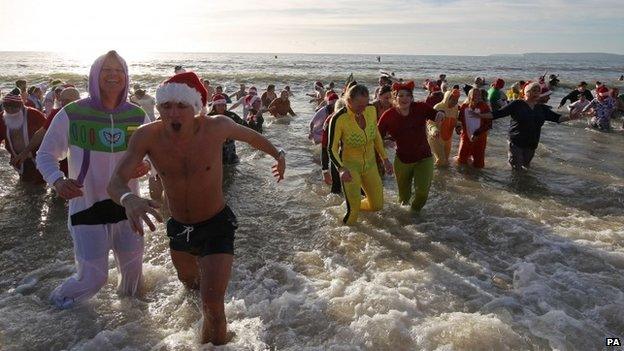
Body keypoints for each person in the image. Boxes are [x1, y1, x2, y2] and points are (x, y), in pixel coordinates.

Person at [106, 71, 286, 345]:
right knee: (189, 284)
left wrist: (279, 155)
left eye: (181, 106)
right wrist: (128, 199)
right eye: (167, 106)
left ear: (195, 108)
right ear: (159, 108)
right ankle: (201, 303)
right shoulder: (147, 136)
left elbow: (251, 137)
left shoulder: (217, 127)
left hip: (216, 224)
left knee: (213, 305)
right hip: (178, 227)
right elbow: (116, 181)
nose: (173, 113)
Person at [36, 50, 151, 309]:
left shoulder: (137, 116)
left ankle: (128, 332)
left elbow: (155, 153)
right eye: (106, 70)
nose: (113, 75)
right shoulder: (72, 113)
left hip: (126, 207)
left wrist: (145, 165)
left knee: (133, 282)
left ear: (126, 77)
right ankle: (53, 308)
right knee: (93, 278)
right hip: (86, 206)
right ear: (94, 76)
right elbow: (45, 154)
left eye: (119, 70)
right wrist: (57, 180)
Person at [472, 82, 581, 170]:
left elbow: (557, 118)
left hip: (531, 144)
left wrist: (571, 117)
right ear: (526, 92)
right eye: (533, 90)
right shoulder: (517, 104)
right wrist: (479, 115)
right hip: (516, 142)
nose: (536, 93)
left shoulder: (541, 108)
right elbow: (497, 114)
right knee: (517, 169)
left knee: (526, 167)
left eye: (538, 91)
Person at [328, 84, 393, 224]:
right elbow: (331, 149)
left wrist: (385, 159)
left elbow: (375, 135)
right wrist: (341, 168)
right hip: (350, 168)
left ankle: (351, 205)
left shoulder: (370, 110)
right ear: (349, 101)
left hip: (370, 165)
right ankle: (342, 236)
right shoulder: (339, 118)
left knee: (377, 205)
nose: (363, 109)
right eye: (359, 105)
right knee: (353, 213)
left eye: (366, 104)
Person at [378, 81, 441, 212]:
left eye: (407, 95)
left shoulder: (421, 108)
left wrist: (441, 115)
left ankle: (414, 214)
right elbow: (377, 137)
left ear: (412, 98)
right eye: (400, 95)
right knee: (403, 199)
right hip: (402, 161)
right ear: (395, 98)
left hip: (424, 158)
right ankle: (405, 224)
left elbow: (436, 115)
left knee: (422, 194)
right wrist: (384, 148)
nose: (404, 99)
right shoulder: (388, 115)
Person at [12, 87, 81, 177]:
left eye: (68, 101)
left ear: (79, 100)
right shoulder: (57, 113)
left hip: (80, 156)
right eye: (62, 100)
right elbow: (41, 133)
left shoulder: (89, 114)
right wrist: (25, 152)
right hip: (62, 157)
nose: (64, 103)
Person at [0, 88, 47, 182]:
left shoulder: (34, 114)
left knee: (40, 183)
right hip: (17, 158)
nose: (10, 110)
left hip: (37, 156)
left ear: (21, 105)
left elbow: (48, 131)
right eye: (6, 107)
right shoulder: (1, 117)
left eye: (13, 107)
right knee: (24, 182)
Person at [456, 88, 492, 169]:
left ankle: (477, 178)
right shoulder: (464, 106)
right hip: (465, 138)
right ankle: (463, 177)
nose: (477, 97)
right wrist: (458, 127)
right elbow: (459, 120)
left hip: (480, 138)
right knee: (461, 161)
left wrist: (477, 133)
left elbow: (489, 123)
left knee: (479, 164)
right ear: (469, 96)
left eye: (479, 95)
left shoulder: (484, 107)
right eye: (475, 95)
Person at [208, 93, 246, 165]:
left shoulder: (231, 116)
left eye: (223, 105)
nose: (221, 107)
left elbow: (244, 125)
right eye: (219, 105)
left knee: (232, 166)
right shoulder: (209, 117)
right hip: (215, 147)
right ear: (214, 106)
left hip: (230, 147)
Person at [430, 88, 461, 166]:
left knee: (446, 160)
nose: (455, 102)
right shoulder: (438, 107)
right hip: (436, 138)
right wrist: (434, 130)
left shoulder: (455, 108)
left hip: (448, 139)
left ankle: (444, 176)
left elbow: (456, 120)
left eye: (456, 100)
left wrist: (458, 127)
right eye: (453, 100)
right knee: (441, 160)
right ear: (447, 98)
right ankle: (435, 177)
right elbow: (430, 123)